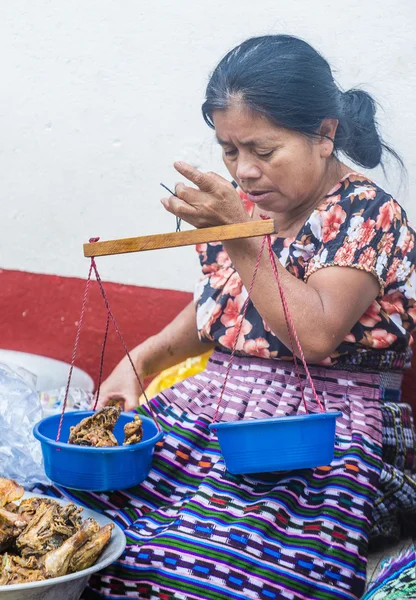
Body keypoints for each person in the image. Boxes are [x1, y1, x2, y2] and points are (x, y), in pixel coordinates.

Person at [37, 35, 416, 599]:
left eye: (264, 151)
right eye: (229, 150)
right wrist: (138, 363)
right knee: (75, 525)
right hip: (213, 409)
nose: (246, 171)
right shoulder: (247, 209)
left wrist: (238, 232)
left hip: (321, 428)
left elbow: (312, 333)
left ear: (325, 133)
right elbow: (222, 307)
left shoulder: (365, 213)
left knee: (199, 566)